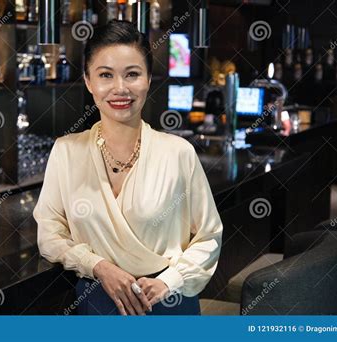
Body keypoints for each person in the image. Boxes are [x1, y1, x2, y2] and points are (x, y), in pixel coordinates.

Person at [33, 20, 223, 315]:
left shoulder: (178, 153)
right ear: (88, 82)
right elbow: (49, 233)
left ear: (148, 79)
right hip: (98, 305)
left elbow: (209, 236)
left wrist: (169, 281)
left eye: (132, 74)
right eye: (105, 75)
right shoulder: (66, 151)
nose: (120, 88)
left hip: (166, 304)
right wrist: (98, 266)